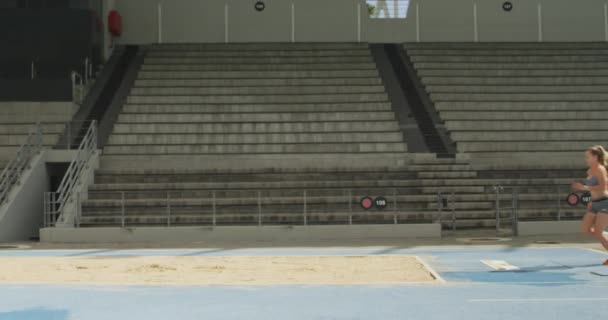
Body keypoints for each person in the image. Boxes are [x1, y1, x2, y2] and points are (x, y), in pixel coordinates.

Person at [573, 146, 608, 263]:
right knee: (585, 230)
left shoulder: (600, 169)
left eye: (588, 156)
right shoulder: (589, 170)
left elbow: (602, 187)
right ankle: (603, 234)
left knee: (598, 232)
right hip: (594, 203)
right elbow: (593, 190)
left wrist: (583, 187)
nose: (586, 159)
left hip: (604, 202)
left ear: (595, 157)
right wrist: (591, 200)